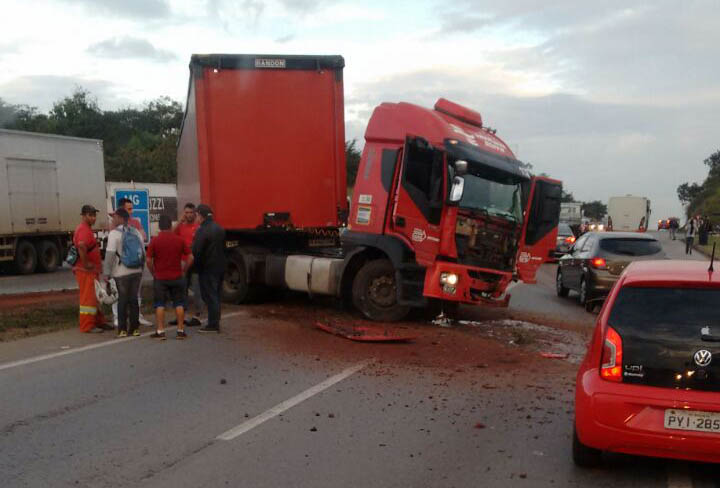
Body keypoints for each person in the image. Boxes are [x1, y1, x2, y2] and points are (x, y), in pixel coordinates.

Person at [147, 214, 192, 340]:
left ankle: (161, 331)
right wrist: (184, 270)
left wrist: (153, 272)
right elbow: (191, 257)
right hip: (177, 276)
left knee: (160, 304)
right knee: (179, 303)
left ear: (159, 226)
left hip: (160, 277)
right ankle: (180, 330)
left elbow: (148, 260)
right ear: (171, 225)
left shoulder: (155, 241)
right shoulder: (179, 240)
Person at [110, 198, 152, 327]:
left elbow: (144, 237)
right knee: (118, 292)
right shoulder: (114, 223)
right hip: (119, 265)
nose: (132, 212)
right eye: (129, 209)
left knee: (135, 293)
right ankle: (117, 317)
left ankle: (137, 316)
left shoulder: (135, 222)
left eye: (132, 209)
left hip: (135, 264)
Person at [104, 208, 145, 337]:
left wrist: (106, 273)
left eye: (115, 217)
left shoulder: (114, 234)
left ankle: (122, 329)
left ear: (121, 218)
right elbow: (142, 252)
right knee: (133, 299)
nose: (113, 219)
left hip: (121, 272)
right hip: (136, 271)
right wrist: (141, 269)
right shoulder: (136, 232)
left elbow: (110, 255)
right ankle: (135, 329)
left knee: (122, 299)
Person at [72, 205, 112, 333]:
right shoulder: (83, 229)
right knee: (88, 299)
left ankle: (99, 321)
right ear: (83, 216)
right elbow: (82, 247)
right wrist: (86, 264)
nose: (93, 218)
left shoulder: (86, 229)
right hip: (86, 271)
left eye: (94, 215)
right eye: (90, 215)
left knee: (95, 297)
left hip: (90, 271)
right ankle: (87, 325)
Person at [192, 204, 226, 333]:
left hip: (207, 268)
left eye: (197, 215)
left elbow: (197, 250)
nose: (196, 218)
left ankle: (213, 324)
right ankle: (215, 320)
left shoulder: (202, 230)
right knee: (216, 295)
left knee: (209, 296)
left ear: (201, 216)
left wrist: (196, 267)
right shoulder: (220, 228)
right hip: (220, 267)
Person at [171, 203, 204, 326]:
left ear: (195, 213)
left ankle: (198, 315)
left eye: (191, 212)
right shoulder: (181, 226)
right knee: (181, 289)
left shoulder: (198, 227)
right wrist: (179, 221)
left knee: (197, 289)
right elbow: (170, 233)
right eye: (186, 212)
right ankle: (181, 315)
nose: (189, 215)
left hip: (195, 262)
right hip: (183, 262)